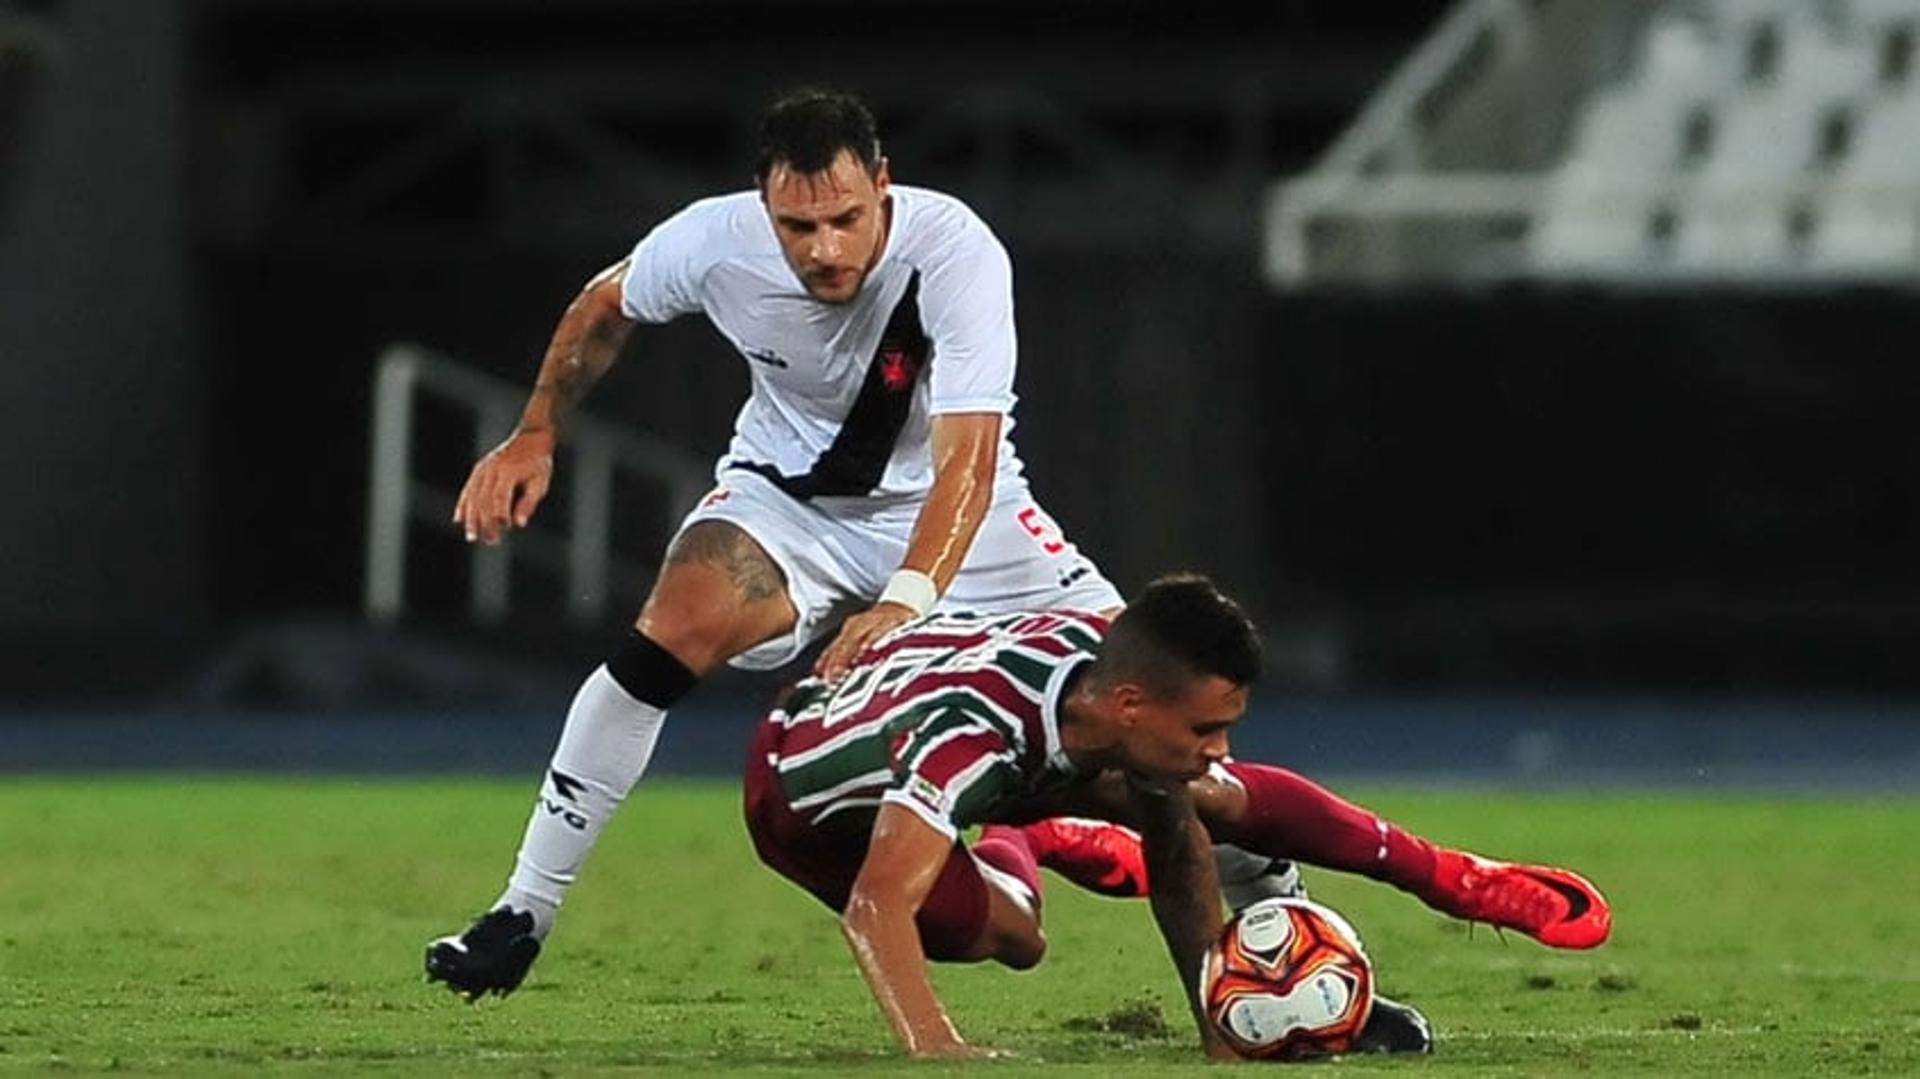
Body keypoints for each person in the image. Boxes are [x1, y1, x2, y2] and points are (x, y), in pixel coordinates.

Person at [426, 87, 1124, 998]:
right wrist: (535, 432)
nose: (825, 248)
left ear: (883, 184)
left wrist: (902, 602)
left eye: (845, 218)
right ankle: (523, 908)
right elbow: (606, 305)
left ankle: (1283, 912)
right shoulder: (715, 242)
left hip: (959, 512)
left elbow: (970, 463)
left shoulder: (955, 252)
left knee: (1148, 691)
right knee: (666, 634)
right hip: (788, 507)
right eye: (799, 225)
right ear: (764, 204)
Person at [737, 576, 1612, 1058]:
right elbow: (876, 904)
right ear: (1127, 702)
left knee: (1206, 798)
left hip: (956, 724)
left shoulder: (1110, 668)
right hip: (804, 799)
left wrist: (1217, 1031)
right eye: (1206, 725)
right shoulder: (966, 740)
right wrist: (938, 1047)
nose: (1219, 741)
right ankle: (1028, 837)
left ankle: (1454, 879)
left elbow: (1181, 843)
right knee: (1012, 935)